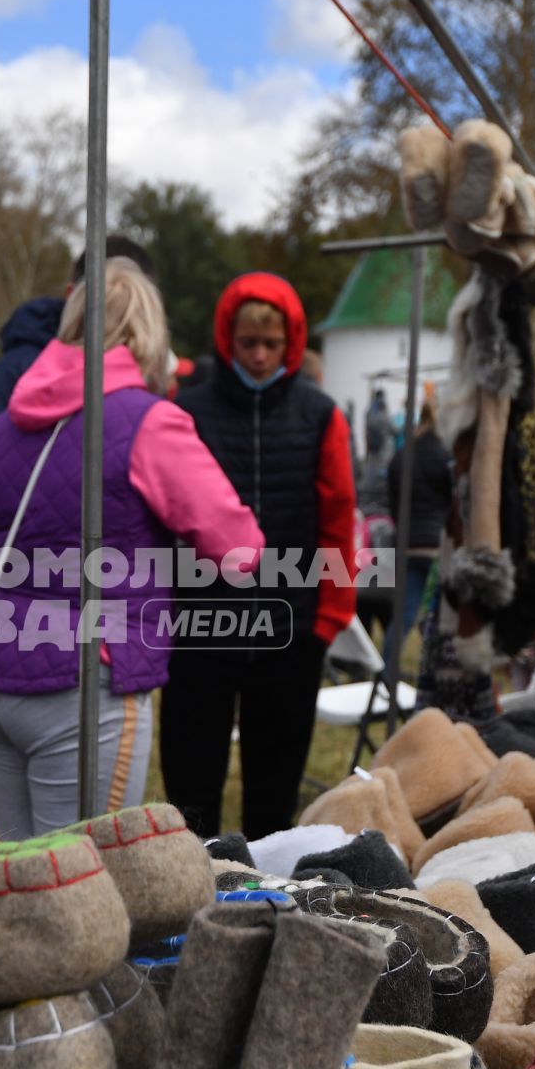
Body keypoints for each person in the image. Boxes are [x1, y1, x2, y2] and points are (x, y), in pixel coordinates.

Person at [0, 259, 262, 839]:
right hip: (88, 680)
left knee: (17, 881)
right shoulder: (147, 422)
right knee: (84, 884)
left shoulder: (0, 430)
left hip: (0, 672)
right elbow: (239, 550)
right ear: (149, 334)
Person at [159, 272, 359, 841]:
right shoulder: (188, 411)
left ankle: (269, 905)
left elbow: (339, 524)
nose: (261, 355)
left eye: (272, 344)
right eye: (249, 343)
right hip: (200, 631)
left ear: (292, 343)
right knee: (191, 792)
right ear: (229, 339)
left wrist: (326, 620)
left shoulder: (320, 416)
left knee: (274, 799)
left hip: (288, 633)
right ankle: (188, 901)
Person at [0, 236, 155, 432]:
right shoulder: (12, 375)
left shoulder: (146, 376)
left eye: (138, 304)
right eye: (112, 300)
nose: (124, 318)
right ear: (72, 295)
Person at [384, 405, 453, 667]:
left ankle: (387, 669)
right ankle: (435, 670)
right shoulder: (444, 456)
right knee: (439, 616)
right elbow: (451, 502)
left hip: (407, 543)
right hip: (436, 544)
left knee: (404, 613)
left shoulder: (400, 456)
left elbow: (392, 501)